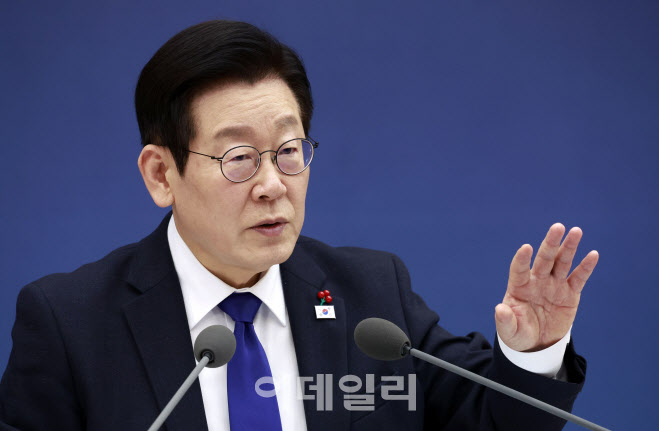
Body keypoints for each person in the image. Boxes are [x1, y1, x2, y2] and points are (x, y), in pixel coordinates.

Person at [0, 20, 598, 431]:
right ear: (162, 175)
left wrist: (534, 352)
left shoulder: (371, 296)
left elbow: (489, 420)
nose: (272, 183)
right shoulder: (70, 324)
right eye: (238, 158)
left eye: (289, 151)